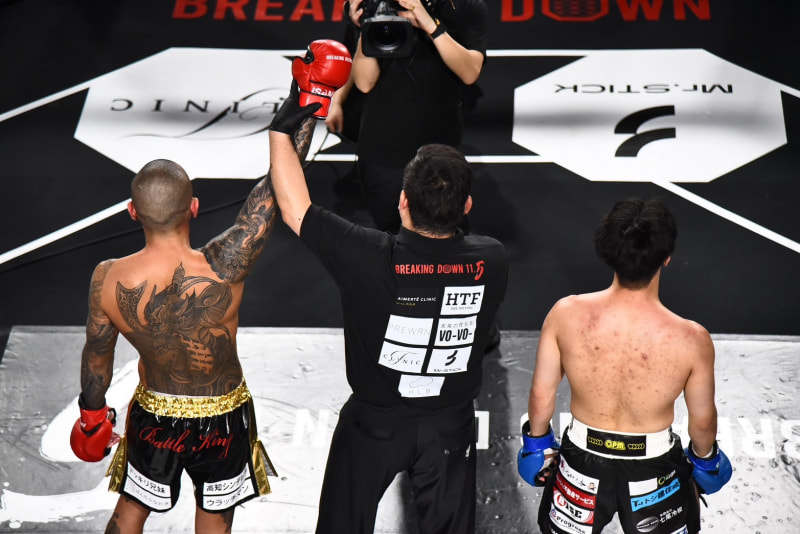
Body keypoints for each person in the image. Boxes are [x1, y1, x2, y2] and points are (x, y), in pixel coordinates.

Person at [269, 84, 508, 533]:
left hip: (374, 424)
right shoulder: (492, 259)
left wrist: (283, 129)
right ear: (467, 206)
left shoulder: (366, 255)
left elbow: (294, 208)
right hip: (449, 425)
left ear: (402, 202)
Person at [70, 116, 318, 533]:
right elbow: (277, 188)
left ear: (132, 212)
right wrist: (306, 110)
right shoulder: (225, 264)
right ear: (194, 207)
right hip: (224, 418)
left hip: (154, 416)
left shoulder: (108, 277)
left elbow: (97, 357)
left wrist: (91, 416)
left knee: (129, 514)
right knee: (215, 524)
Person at [518, 198, 732, 534]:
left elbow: (541, 395)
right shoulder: (692, 339)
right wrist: (706, 461)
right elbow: (702, 422)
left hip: (581, 462)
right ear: (666, 256)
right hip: (654, 467)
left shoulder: (565, 314)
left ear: (608, 251)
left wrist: (537, 447)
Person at [325, 0, 487, 233]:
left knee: (445, 232)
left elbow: (470, 72)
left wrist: (431, 26)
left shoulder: (462, 6)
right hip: (382, 151)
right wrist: (365, 30)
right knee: (390, 234)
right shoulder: (372, 4)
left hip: (438, 148)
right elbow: (365, 82)